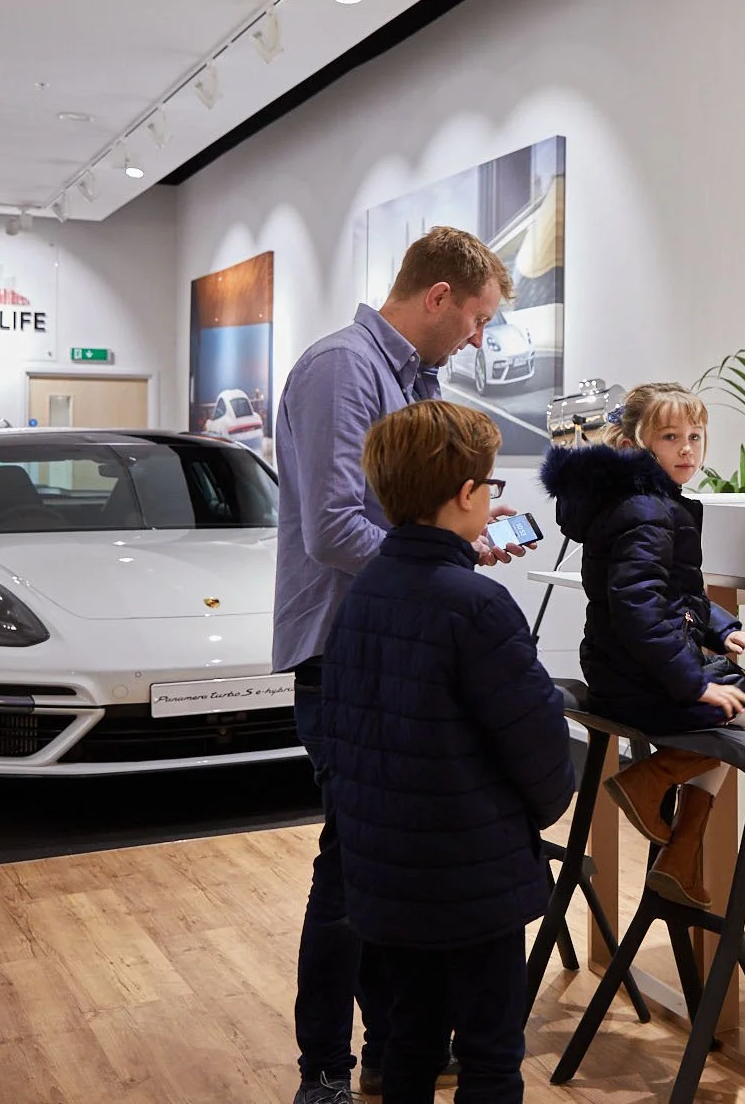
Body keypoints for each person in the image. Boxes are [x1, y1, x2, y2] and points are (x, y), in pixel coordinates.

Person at [273, 227, 528, 1104]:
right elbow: (336, 527)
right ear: (439, 297)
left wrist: (454, 545)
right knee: (351, 869)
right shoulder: (343, 369)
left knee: (385, 870)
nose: (478, 339)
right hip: (348, 655)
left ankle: (389, 1047)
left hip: (395, 651)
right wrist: (438, 565)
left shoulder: (411, 382)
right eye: (478, 320)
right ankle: (326, 1069)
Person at [323, 400, 575, 1104]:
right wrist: (550, 802)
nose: (494, 500)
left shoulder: (363, 591)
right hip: (472, 882)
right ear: (467, 495)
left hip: (386, 876)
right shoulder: (478, 605)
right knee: (491, 1053)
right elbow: (537, 745)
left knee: (408, 1040)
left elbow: (345, 733)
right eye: (491, 486)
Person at [537, 382, 745, 909]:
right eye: (671, 436)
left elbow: (677, 595)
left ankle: (678, 849)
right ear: (634, 442)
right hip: (638, 679)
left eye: (695, 436)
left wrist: (722, 629)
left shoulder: (644, 503)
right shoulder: (648, 510)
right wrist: (695, 683)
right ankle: (651, 781)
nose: (687, 450)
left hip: (621, 670)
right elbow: (640, 613)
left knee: (744, 721)